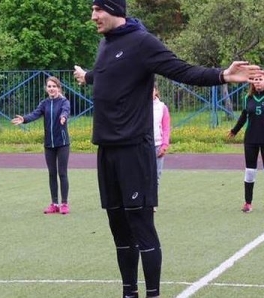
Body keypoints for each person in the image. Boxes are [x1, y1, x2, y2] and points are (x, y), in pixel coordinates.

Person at [73, 1, 262, 297]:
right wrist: (87, 77)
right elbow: (107, 73)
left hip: (134, 150)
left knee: (140, 226)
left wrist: (222, 75)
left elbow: (182, 70)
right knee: (118, 229)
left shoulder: (142, 42)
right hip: (106, 150)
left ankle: (152, 294)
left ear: (116, 11)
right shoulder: (105, 45)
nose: (93, 16)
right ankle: (128, 293)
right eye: (92, 9)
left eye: (99, 9)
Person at [11, 76, 71, 214]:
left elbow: (66, 111)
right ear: (46, 89)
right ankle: (54, 203)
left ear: (58, 88)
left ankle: (64, 203)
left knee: (62, 173)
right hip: (49, 144)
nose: (51, 89)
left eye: (54, 86)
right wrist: (24, 119)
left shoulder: (64, 102)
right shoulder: (44, 103)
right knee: (52, 173)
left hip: (62, 143)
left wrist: (63, 117)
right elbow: (35, 114)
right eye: (49, 86)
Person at [228, 75, 264, 213]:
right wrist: (234, 130)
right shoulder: (247, 99)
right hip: (251, 139)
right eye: (255, 81)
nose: (257, 83)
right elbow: (244, 116)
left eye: (260, 80)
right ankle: (248, 203)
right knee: (250, 171)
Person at [152, 82, 170, 212]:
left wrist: (164, 144)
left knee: (156, 175)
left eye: (151, 89)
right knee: (142, 174)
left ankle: (152, 202)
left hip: (158, 144)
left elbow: (166, 127)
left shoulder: (162, 107)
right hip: (142, 145)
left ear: (156, 91)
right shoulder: (138, 105)